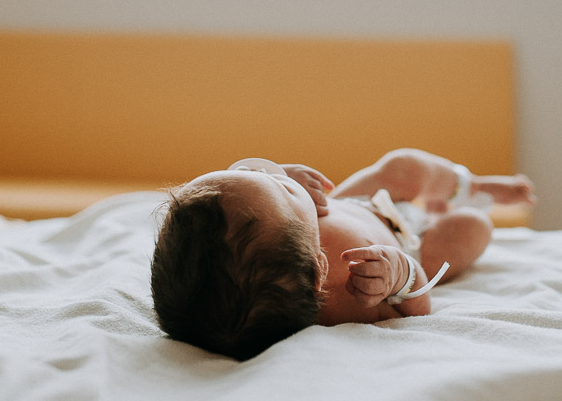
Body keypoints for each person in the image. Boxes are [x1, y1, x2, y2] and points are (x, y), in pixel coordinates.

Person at [149, 147, 535, 360]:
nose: (272, 175)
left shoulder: (262, 224)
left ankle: (469, 184)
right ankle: (470, 206)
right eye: (281, 188)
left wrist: (284, 175)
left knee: (401, 166)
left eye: (261, 174)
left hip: (359, 204)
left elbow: (241, 188)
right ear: (318, 268)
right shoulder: (346, 294)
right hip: (412, 247)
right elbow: (416, 308)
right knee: (473, 228)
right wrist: (401, 275)